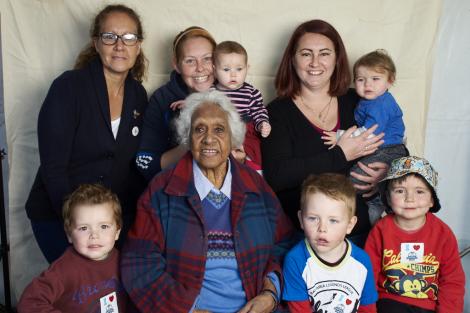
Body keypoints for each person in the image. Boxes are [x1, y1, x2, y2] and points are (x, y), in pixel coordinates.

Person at [121, 90, 293, 313]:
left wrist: (270, 293)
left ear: (233, 138)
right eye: (199, 129)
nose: (209, 138)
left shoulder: (256, 186)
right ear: (187, 138)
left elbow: (283, 244)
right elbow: (139, 263)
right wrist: (188, 309)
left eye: (219, 129)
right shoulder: (162, 190)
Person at [25, 4, 148, 263]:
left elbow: (131, 165)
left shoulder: (138, 95)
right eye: (109, 37)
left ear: (138, 45)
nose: (119, 45)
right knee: (81, 295)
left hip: (110, 222)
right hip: (60, 216)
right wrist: (77, 227)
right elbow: (54, 167)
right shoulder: (68, 87)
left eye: (128, 38)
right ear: (96, 43)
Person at [261, 19, 386, 245]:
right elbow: (277, 176)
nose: (315, 63)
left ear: (337, 60)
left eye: (324, 54)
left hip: (361, 235)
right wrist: (341, 155)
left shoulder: (358, 101)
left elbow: (396, 144)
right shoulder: (277, 112)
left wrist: (385, 174)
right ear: (292, 59)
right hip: (302, 237)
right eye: (306, 54)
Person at [365, 156, 465, 313]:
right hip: (390, 301)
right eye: (400, 191)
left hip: (428, 305)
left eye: (419, 191)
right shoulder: (380, 230)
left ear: (432, 200)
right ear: (389, 199)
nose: (409, 199)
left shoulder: (443, 234)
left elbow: (452, 281)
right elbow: (368, 276)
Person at [322, 50, 408, 223]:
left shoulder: (381, 104)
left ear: (389, 81)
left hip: (388, 150)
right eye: (361, 80)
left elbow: (369, 132)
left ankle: (379, 203)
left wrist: (339, 136)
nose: (368, 84)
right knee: (358, 178)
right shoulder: (369, 100)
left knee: (353, 180)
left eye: (375, 79)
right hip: (379, 148)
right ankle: (375, 203)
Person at [18, 184, 133, 313]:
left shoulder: (125, 261)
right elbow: (29, 302)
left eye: (104, 226)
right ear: (69, 235)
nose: (94, 235)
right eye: (84, 228)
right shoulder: (62, 270)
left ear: (117, 231)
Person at [283, 173, 378, 313]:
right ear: (301, 220)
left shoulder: (362, 261)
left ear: (350, 225)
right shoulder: (295, 260)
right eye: (313, 218)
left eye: (333, 220)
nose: (322, 228)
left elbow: (368, 308)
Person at [136, 26, 217, 180]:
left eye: (207, 58)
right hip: (177, 189)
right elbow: (144, 163)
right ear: (176, 65)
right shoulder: (162, 99)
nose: (200, 68)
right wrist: (190, 145)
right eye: (190, 61)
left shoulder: (236, 92)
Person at [213, 40, 271, 172]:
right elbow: (200, 105)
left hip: (245, 130)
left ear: (247, 68)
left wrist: (262, 123)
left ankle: (255, 174)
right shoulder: (211, 91)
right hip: (220, 129)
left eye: (239, 69)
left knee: (254, 148)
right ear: (214, 70)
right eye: (226, 69)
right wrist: (187, 103)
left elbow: (258, 110)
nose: (233, 74)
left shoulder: (251, 92)